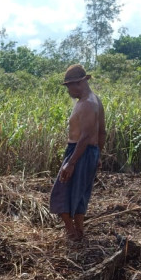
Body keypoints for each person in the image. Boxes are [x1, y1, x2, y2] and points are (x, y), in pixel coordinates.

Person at [49, 64, 106, 242]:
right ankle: (79, 231)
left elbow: (86, 135)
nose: (68, 91)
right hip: (90, 151)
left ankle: (71, 231)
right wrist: (98, 154)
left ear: (79, 83)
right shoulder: (95, 100)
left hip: (79, 151)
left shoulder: (87, 103)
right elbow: (102, 132)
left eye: (69, 86)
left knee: (61, 191)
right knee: (80, 192)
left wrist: (71, 162)